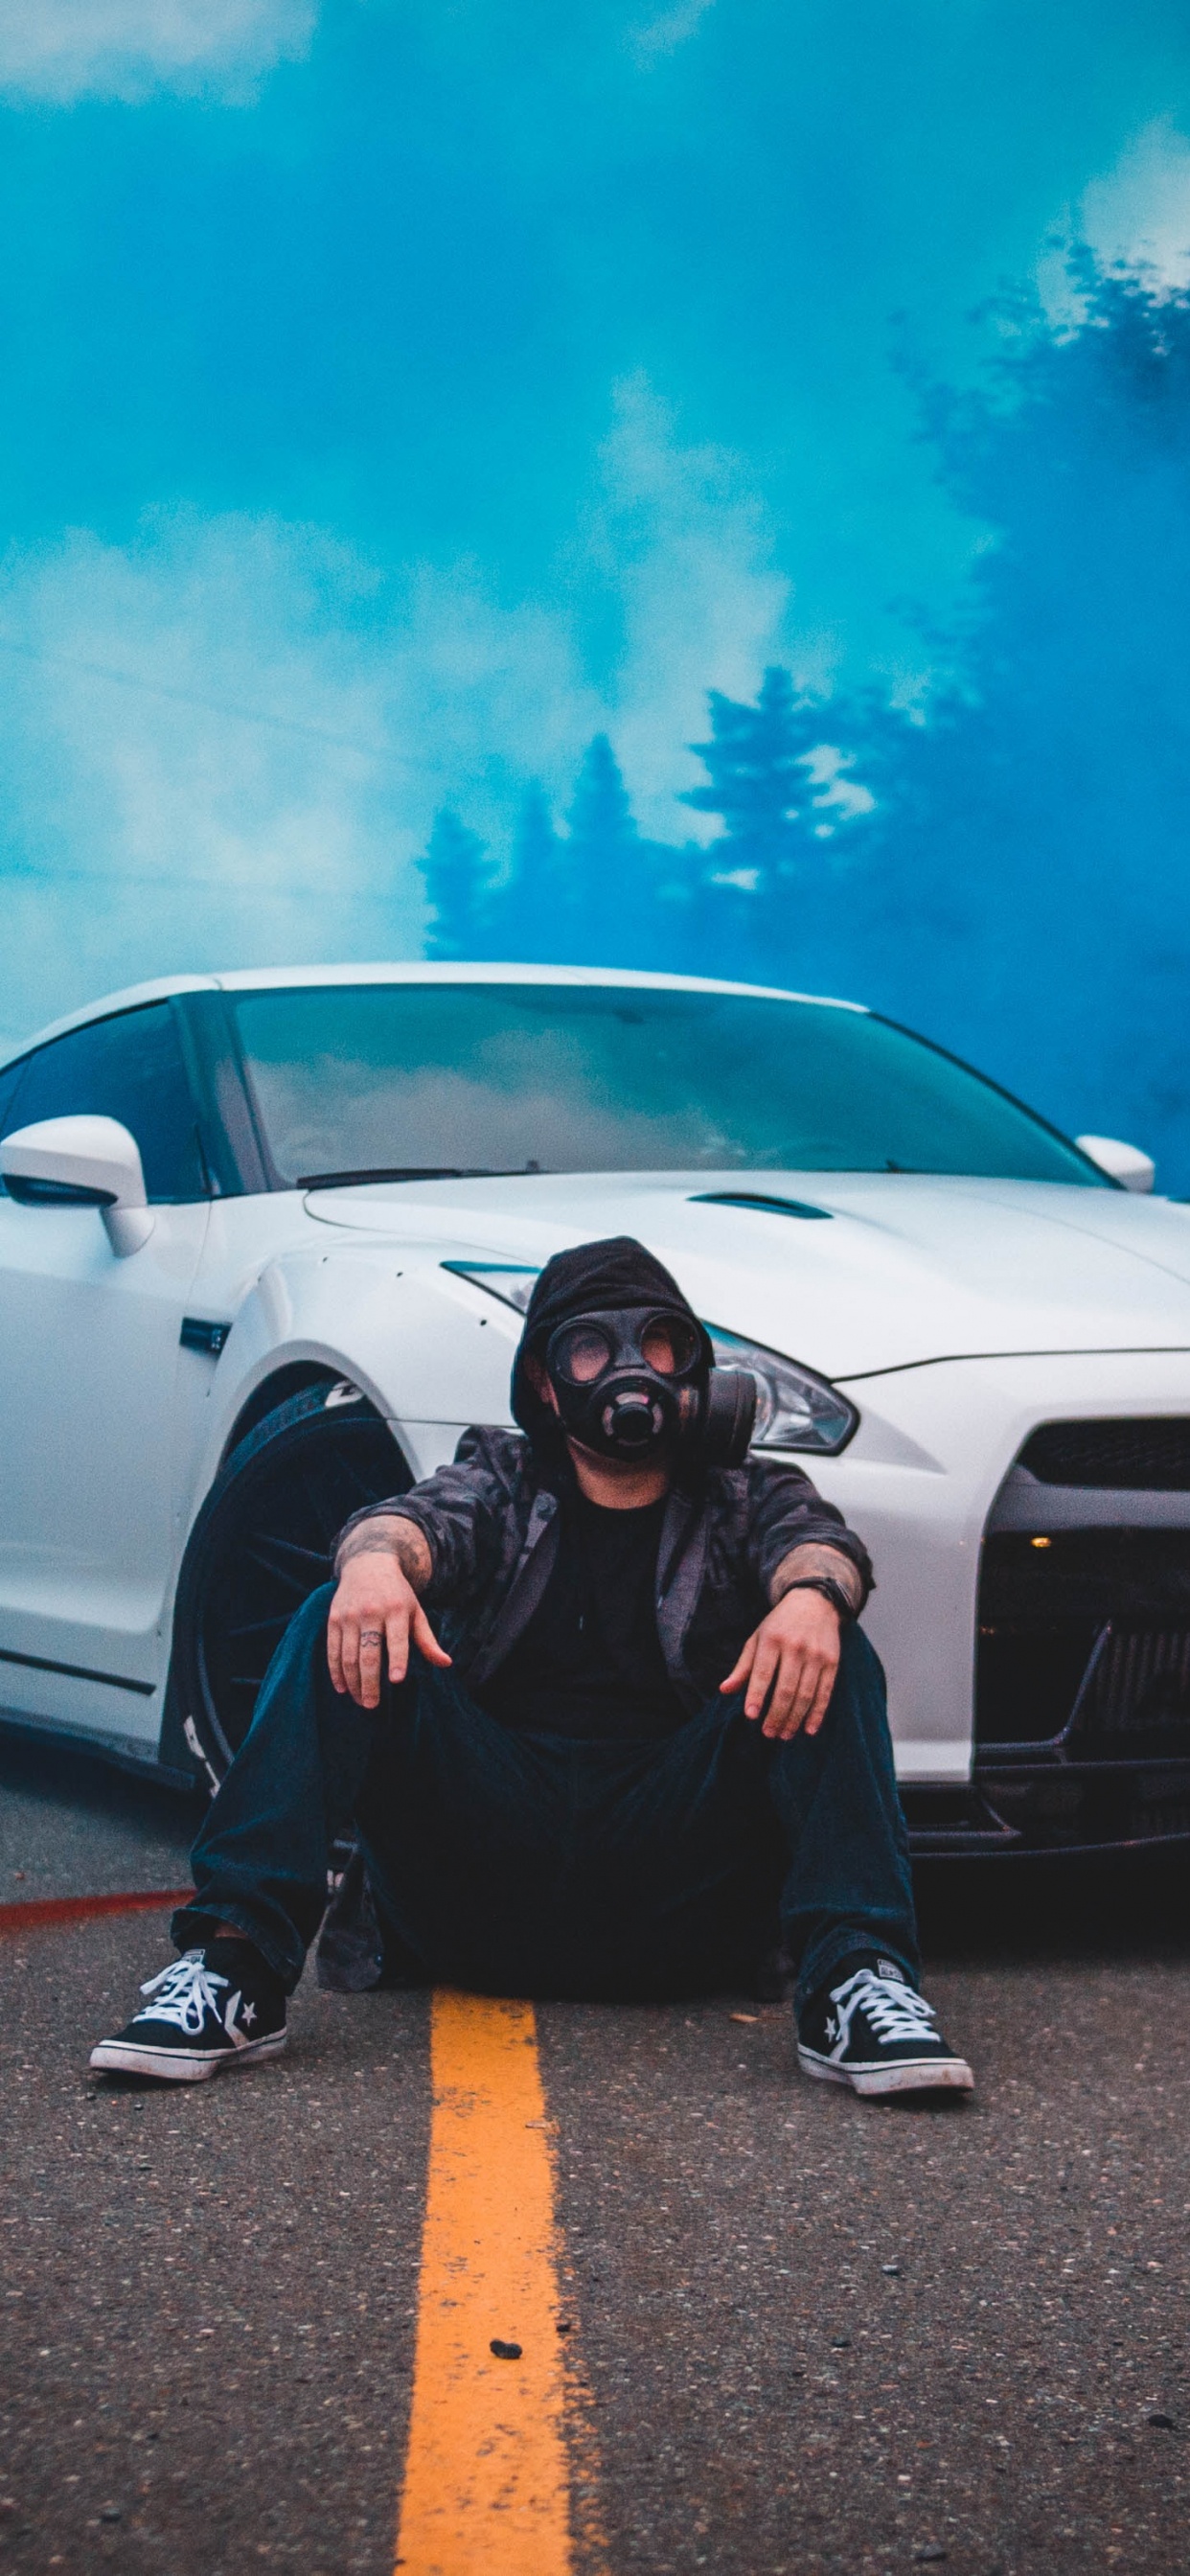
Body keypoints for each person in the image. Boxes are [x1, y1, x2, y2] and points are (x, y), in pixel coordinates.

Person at [92, 1236, 972, 2097]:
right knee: (343, 1615)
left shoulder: (745, 1493)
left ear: (693, 1371)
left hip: (672, 1887)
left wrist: (812, 1596)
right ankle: (235, 1965)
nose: (632, 1368)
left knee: (828, 1641)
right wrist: (371, 1562)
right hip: (481, 1878)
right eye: (591, 1348)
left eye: (657, 1342)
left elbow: (819, 1545)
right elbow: (420, 1520)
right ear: (547, 1387)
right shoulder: (505, 1479)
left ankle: (858, 1980)